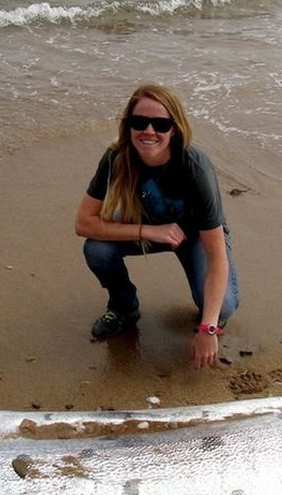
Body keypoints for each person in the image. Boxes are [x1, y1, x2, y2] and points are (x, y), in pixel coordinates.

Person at [75, 84, 240, 369]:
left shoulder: (195, 167)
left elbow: (216, 257)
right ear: (128, 126)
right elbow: (83, 223)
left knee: (220, 308)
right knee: (97, 249)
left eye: (161, 124)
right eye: (139, 122)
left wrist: (208, 329)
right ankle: (124, 308)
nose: (148, 131)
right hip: (151, 231)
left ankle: (210, 314)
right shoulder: (116, 158)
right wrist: (147, 231)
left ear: (174, 128)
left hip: (196, 237)